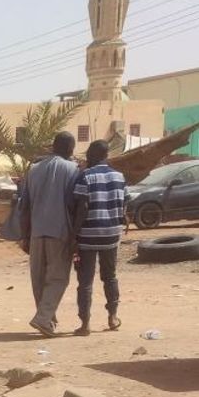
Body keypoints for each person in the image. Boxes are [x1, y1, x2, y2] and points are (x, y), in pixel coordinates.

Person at [19, 132, 80, 337]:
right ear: (70, 148)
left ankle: (47, 318)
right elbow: (75, 203)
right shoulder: (72, 169)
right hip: (60, 230)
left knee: (38, 278)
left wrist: (25, 235)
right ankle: (43, 318)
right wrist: (75, 236)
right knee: (58, 278)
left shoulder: (34, 170)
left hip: (37, 231)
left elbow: (24, 206)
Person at [71, 140, 126, 336]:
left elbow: (82, 207)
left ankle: (85, 324)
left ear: (94, 155)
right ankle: (112, 317)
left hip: (88, 235)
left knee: (85, 281)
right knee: (109, 277)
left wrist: (74, 235)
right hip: (111, 234)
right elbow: (122, 203)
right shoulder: (120, 176)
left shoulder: (85, 176)